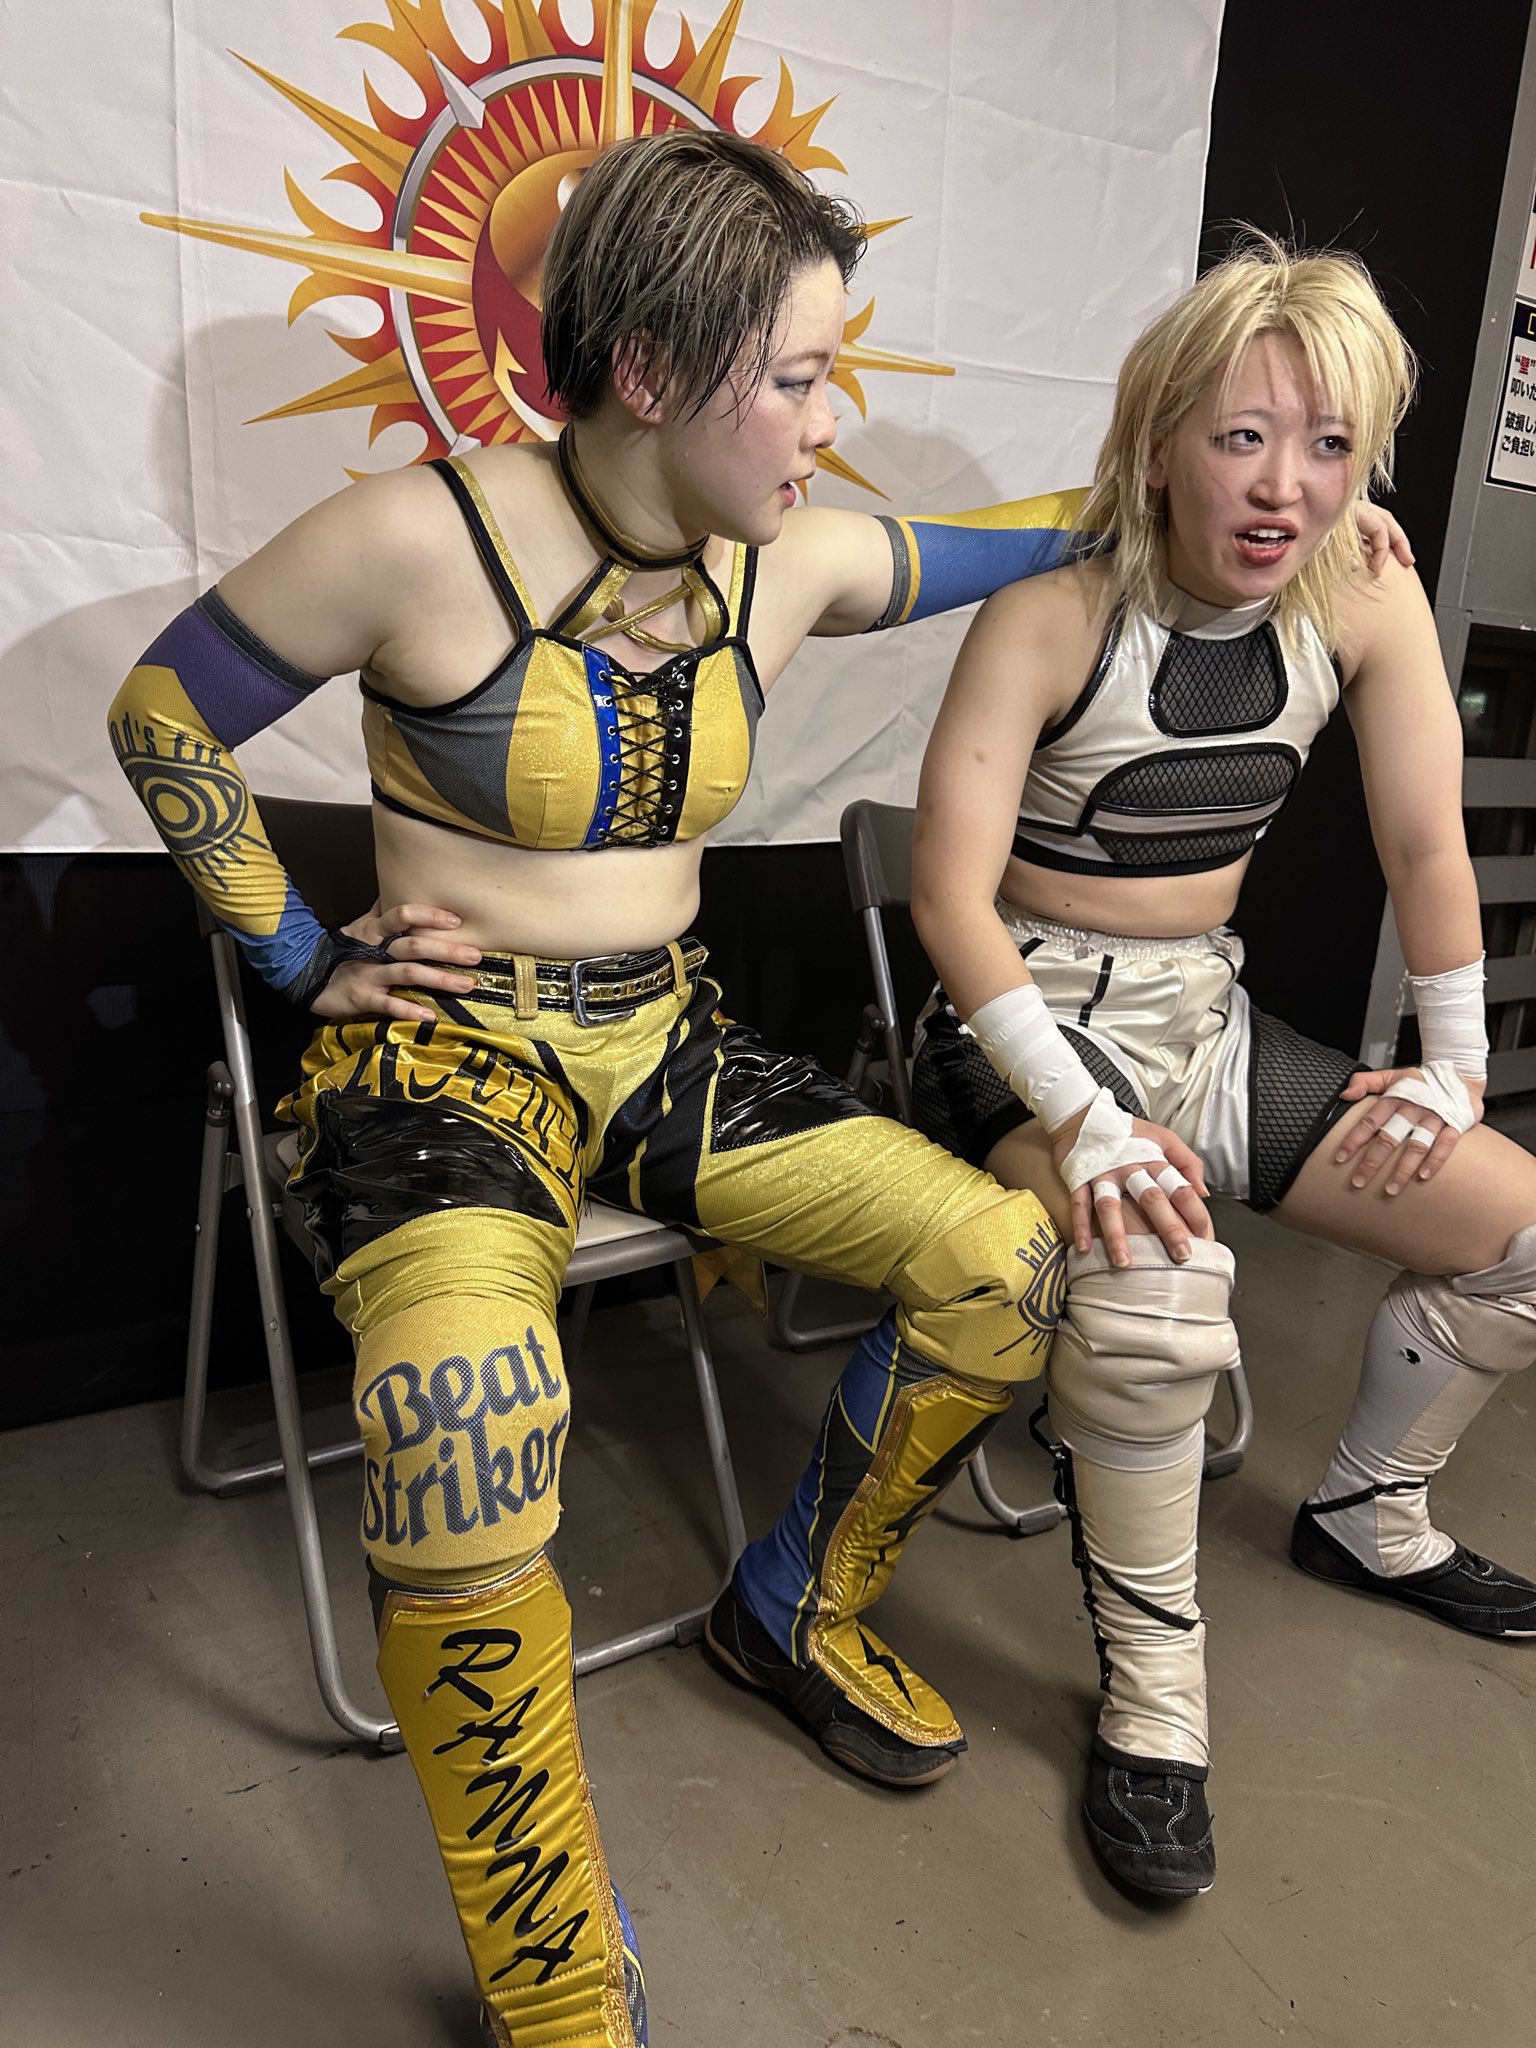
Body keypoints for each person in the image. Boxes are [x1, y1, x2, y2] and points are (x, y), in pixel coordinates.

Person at [903, 232, 1536, 1904]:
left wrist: (1453, 1069)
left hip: (1211, 1020)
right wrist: (1081, 1118)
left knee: (1526, 1235)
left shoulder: (1364, 589)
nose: (1282, 487)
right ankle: (1157, 1698)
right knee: (1155, 1283)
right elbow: (947, 900)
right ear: (1162, 438)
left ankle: (1370, 1516)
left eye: (1328, 445)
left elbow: (1425, 841)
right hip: (1025, 1029)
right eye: (1241, 437)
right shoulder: (1050, 615)